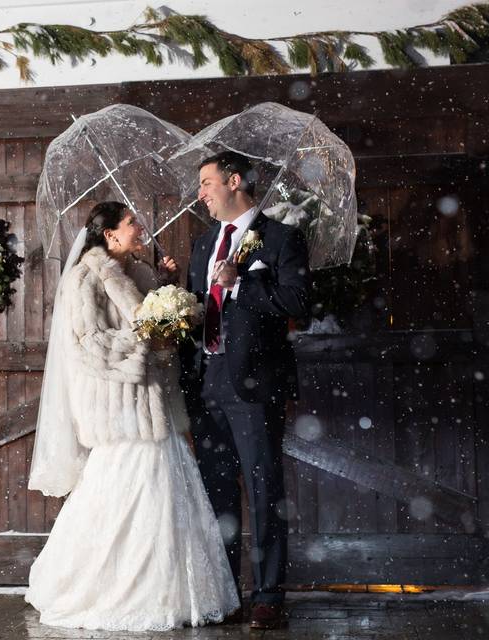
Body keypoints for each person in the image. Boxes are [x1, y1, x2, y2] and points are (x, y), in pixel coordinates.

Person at [25, 201, 240, 632]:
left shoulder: (139, 273)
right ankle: (108, 589)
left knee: (168, 501)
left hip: (157, 403)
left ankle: (171, 594)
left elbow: (153, 319)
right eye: (131, 223)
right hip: (121, 409)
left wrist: (167, 289)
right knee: (119, 502)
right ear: (109, 235)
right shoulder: (84, 278)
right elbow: (90, 344)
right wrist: (146, 336)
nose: (140, 228)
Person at [181, 151, 311, 630]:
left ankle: (268, 596)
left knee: (263, 488)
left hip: (254, 385)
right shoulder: (200, 246)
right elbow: (196, 313)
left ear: (235, 181)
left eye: (206, 183)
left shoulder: (280, 239)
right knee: (218, 494)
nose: (201, 193)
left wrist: (241, 287)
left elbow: (299, 302)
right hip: (205, 383)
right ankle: (227, 592)